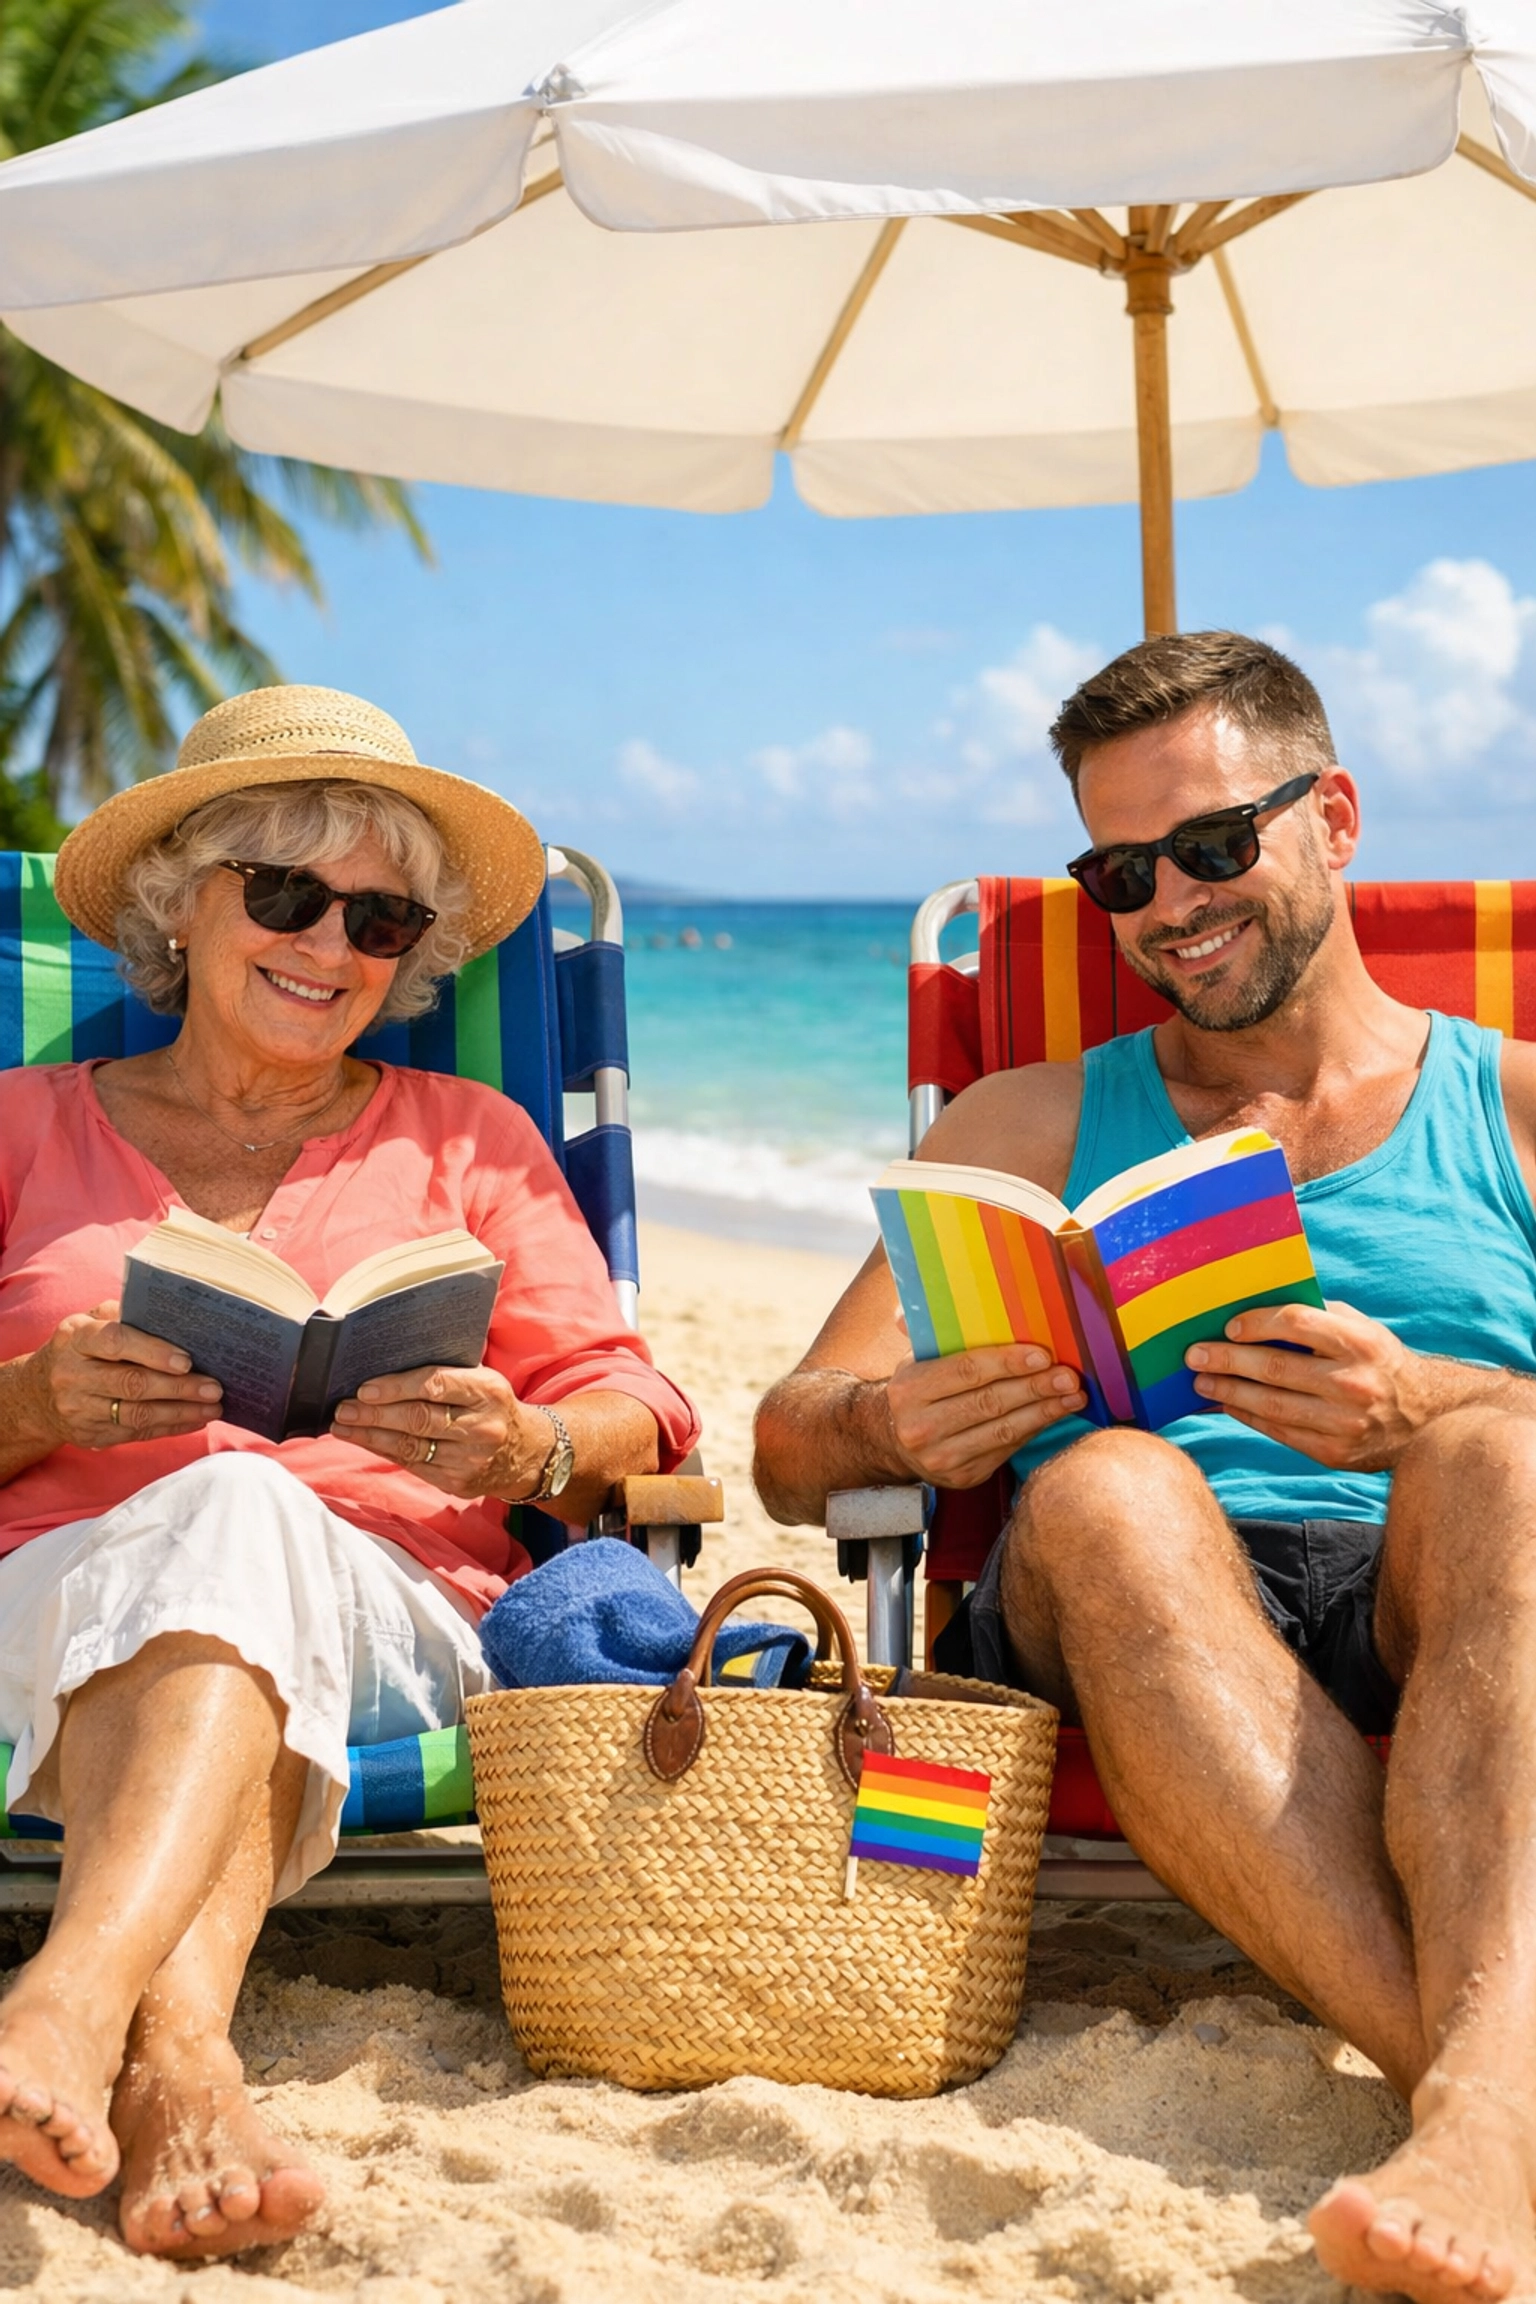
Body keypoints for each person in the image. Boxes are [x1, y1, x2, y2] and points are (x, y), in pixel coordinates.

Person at [754, 632, 1536, 2304]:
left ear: (1331, 814)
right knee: (1111, 1482)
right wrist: (888, 1427)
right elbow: (786, 1437)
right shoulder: (1021, 1122)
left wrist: (1441, 1401)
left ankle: (1474, 2118)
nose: (1167, 904)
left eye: (1210, 845)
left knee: (1502, 1460)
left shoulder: (1518, 1112)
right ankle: (1483, 2105)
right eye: (1118, 870)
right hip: (1116, 1606)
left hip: (1436, 1587)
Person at [0, 685, 698, 2260]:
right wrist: (38, 1397)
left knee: (243, 1512)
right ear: (185, 906)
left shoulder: (471, 1135)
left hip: (394, 1617)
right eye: (288, 893)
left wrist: (525, 1444)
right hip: (35, 1607)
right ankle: (177, 2065)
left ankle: (64, 1999)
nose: (332, 944)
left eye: (379, 918)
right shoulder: (18, 1128)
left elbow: (634, 1407)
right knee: (225, 1525)